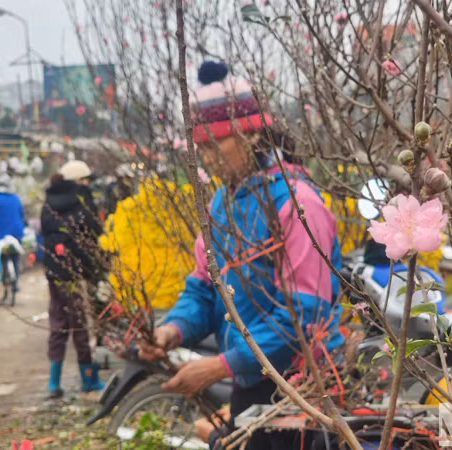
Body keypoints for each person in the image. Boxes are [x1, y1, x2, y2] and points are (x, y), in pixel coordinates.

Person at [138, 62, 343, 449]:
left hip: (303, 387)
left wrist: (221, 366)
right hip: (252, 383)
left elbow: (305, 313)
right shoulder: (221, 205)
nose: (208, 158)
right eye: (200, 147)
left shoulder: (298, 205)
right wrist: (172, 329)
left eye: (216, 144)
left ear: (249, 135)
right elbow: (204, 288)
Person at [41, 160, 105, 397]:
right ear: (80, 181)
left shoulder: (48, 204)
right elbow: (95, 234)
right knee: (82, 325)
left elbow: (45, 234)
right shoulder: (82, 203)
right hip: (78, 273)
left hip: (54, 272)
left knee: (58, 323)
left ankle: (53, 383)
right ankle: (89, 380)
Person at [0, 173, 25, 289]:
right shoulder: (16, 199)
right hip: (16, 233)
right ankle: (15, 284)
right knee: (15, 258)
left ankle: (3, 276)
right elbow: (21, 215)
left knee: (1, 256)